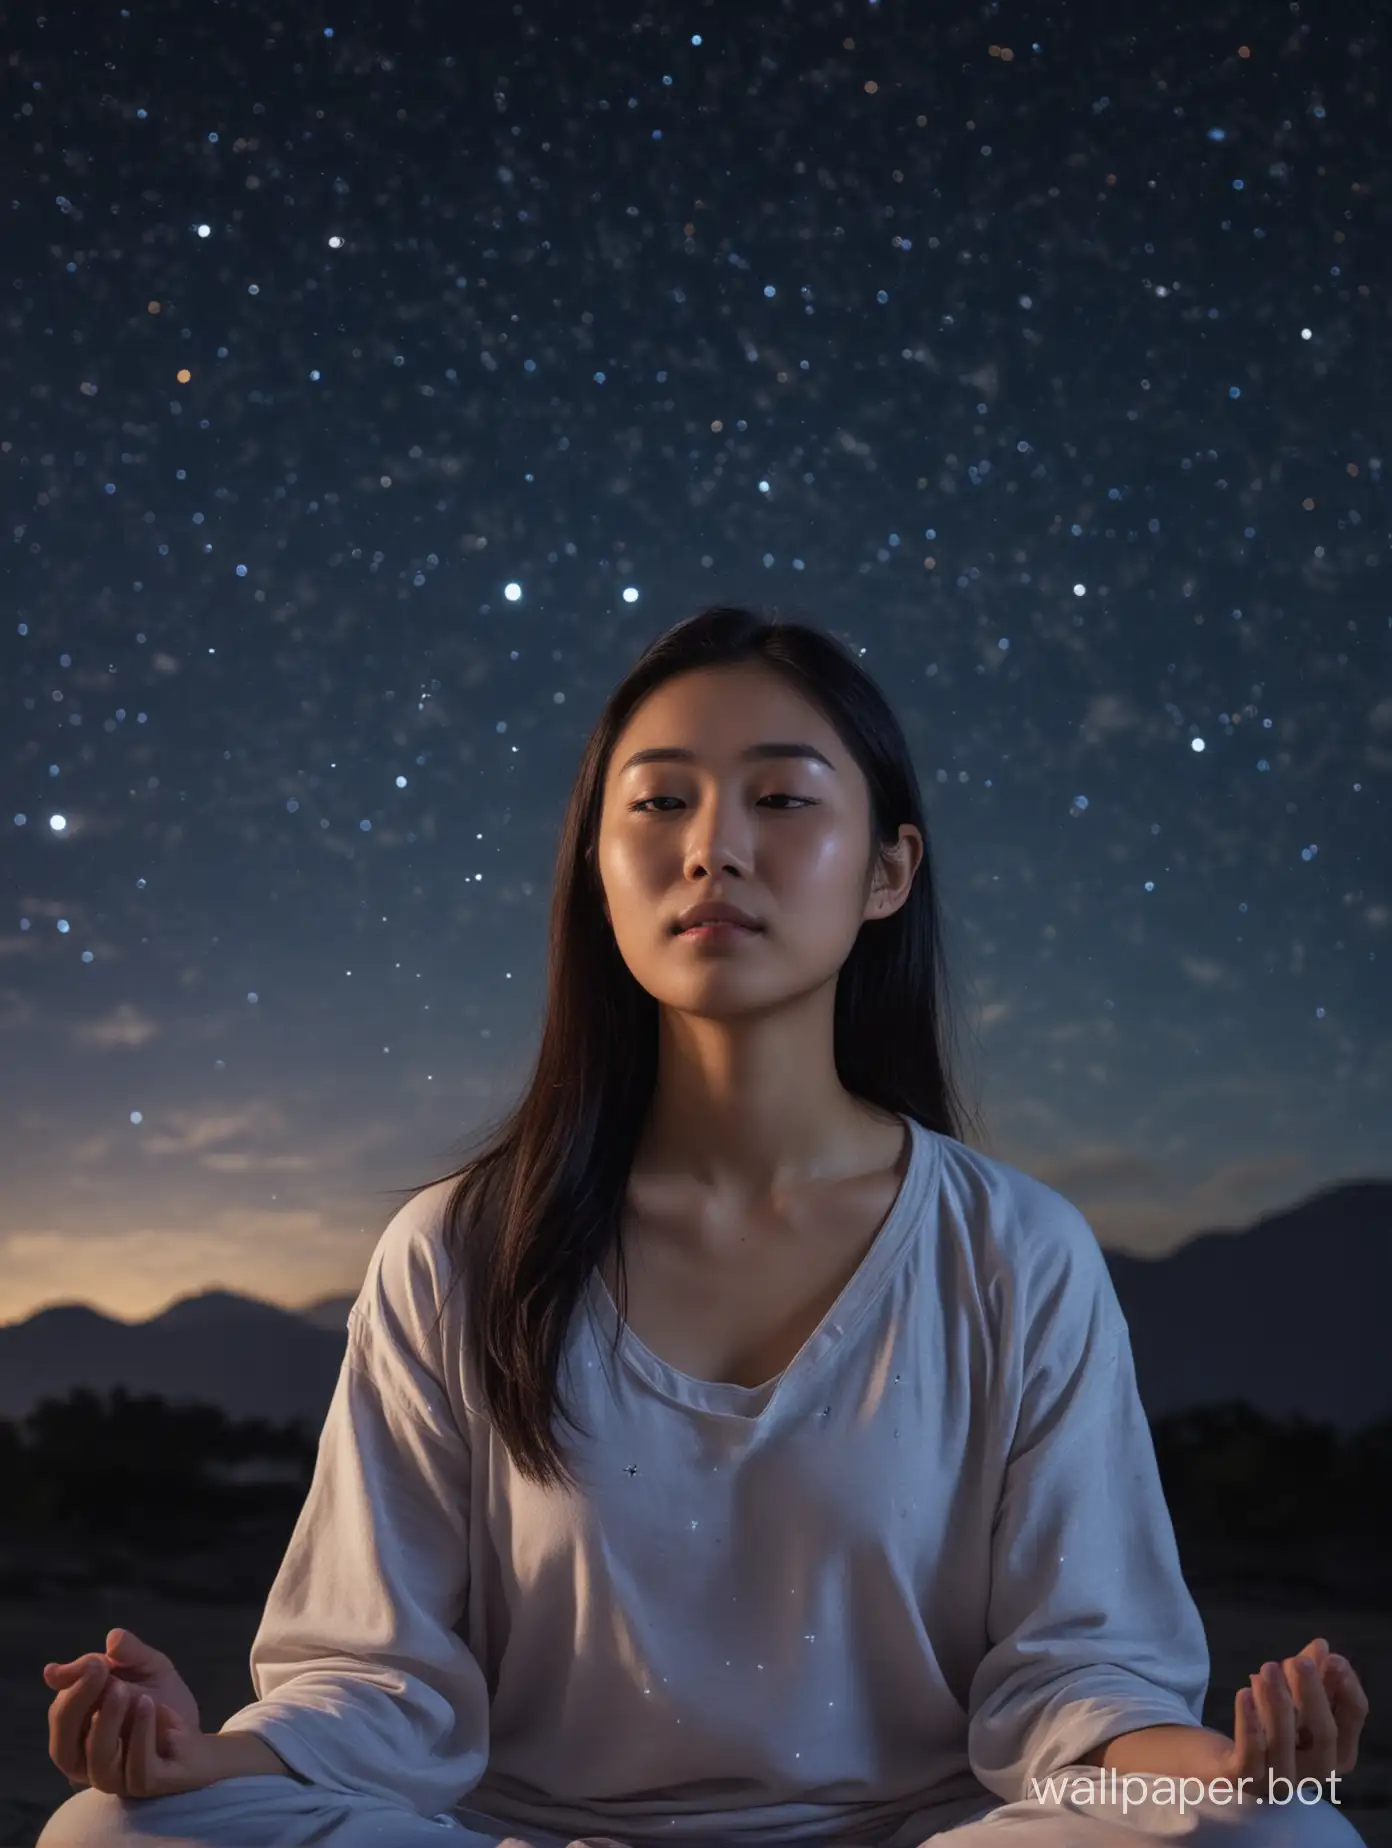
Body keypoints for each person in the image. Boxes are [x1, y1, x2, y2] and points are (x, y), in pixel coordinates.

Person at [38, 607, 1370, 1848]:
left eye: (782, 799)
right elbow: (372, 1683)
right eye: (660, 802)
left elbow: (1076, 1682)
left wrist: (1222, 1775)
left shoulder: (1014, 1250)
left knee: (1296, 1832)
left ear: (891, 871)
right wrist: (190, 1762)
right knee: (105, 1832)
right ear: (597, 870)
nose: (711, 848)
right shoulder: (457, 1249)